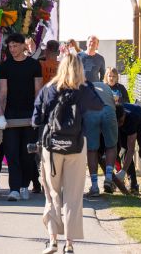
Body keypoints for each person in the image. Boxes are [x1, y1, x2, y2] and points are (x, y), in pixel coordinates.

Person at [34, 53, 103, 254]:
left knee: (52, 193)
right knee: (73, 197)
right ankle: (70, 244)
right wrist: (86, 85)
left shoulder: (48, 89)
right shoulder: (83, 90)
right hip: (76, 147)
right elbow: (99, 105)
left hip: (52, 148)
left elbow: (36, 118)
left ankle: (53, 240)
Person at [0, 32, 43, 201]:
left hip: (29, 115)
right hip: (11, 116)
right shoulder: (5, 66)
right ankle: (14, 189)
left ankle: (25, 185)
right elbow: (3, 92)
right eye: (10, 47)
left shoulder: (34, 65)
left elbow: (39, 90)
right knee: (11, 153)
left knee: (27, 154)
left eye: (15, 46)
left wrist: (38, 113)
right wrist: (1, 115)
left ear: (24, 45)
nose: (12, 49)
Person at [83, 81, 115, 197]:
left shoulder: (84, 86)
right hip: (109, 110)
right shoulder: (106, 86)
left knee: (92, 149)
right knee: (111, 145)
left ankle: (95, 186)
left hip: (91, 111)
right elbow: (113, 105)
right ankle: (108, 178)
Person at [115, 103, 141, 194]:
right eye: (117, 122)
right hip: (127, 121)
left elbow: (131, 150)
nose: (119, 125)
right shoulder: (117, 117)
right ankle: (133, 183)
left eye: (120, 122)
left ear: (124, 115)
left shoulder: (132, 118)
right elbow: (124, 150)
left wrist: (123, 171)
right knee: (123, 150)